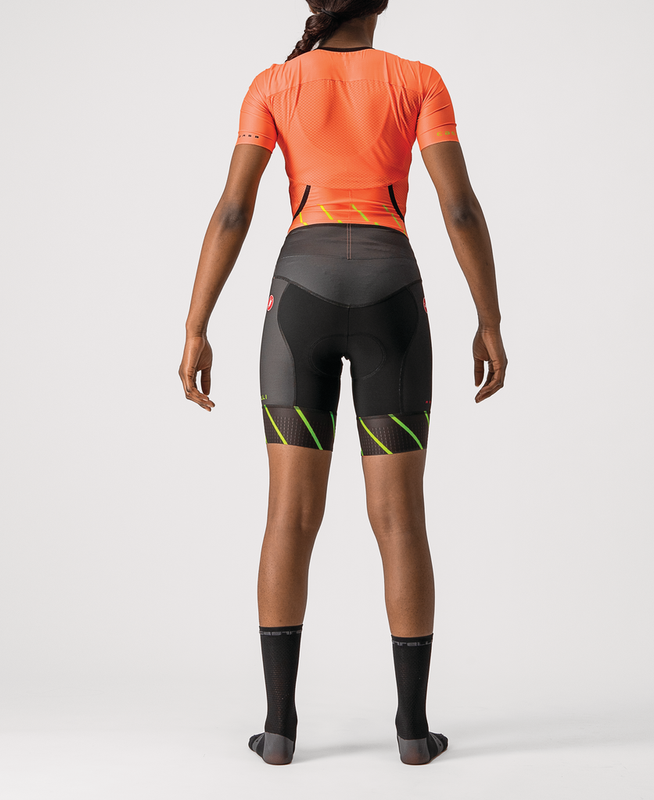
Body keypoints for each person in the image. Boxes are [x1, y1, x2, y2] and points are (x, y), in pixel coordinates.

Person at [178, 0, 507, 767]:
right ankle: (412, 733)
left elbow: (233, 211)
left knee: (289, 518)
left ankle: (279, 731)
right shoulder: (417, 81)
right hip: (393, 297)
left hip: (300, 300)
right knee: (399, 520)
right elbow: (459, 208)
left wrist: (195, 325)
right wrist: (488, 318)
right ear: (381, 1)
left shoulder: (273, 84)